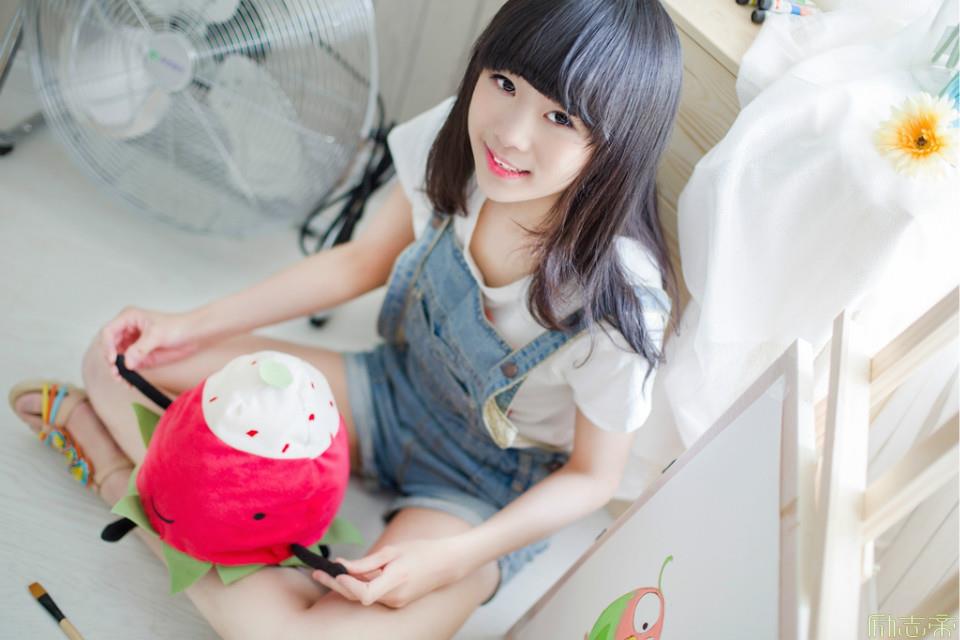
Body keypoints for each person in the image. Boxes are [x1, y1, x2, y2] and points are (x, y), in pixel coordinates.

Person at [8, 0, 683, 637]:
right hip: (388, 391)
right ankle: (204, 512)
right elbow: (360, 262)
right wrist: (189, 325)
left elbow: (593, 478)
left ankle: (116, 473)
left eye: (560, 117)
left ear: (616, 143)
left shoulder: (621, 300)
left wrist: (452, 558)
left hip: (486, 488)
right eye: (503, 82)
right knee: (117, 357)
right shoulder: (461, 144)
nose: (511, 132)